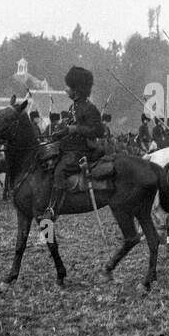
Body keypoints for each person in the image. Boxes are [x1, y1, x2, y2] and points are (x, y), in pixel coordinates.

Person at [41, 66, 105, 220]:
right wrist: (61, 132)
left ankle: (52, 208)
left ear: (76, 89)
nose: (65, 89)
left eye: (68, 86)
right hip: (66, 149)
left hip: (80, 152)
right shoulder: (73, 107)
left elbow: (98, 131)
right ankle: (49, 235)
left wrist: (74, 128)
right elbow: (69, 130)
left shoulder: (90, 108)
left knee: (59, 171)